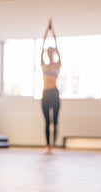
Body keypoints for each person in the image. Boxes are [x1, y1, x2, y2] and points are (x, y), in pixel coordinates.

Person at [41, 19, 61, 154]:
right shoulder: (44, 65)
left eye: (51, 52)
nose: (49, 53)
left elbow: (57, 47)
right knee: (47, 121)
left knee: (55, 121)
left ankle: (54, 145)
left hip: (54, 93)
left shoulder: (57, 66)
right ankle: (48, 145)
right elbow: (41, 49)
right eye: (47, 52)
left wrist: (52, 32)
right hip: (45, 94)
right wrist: (46, 32)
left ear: (53, 53)